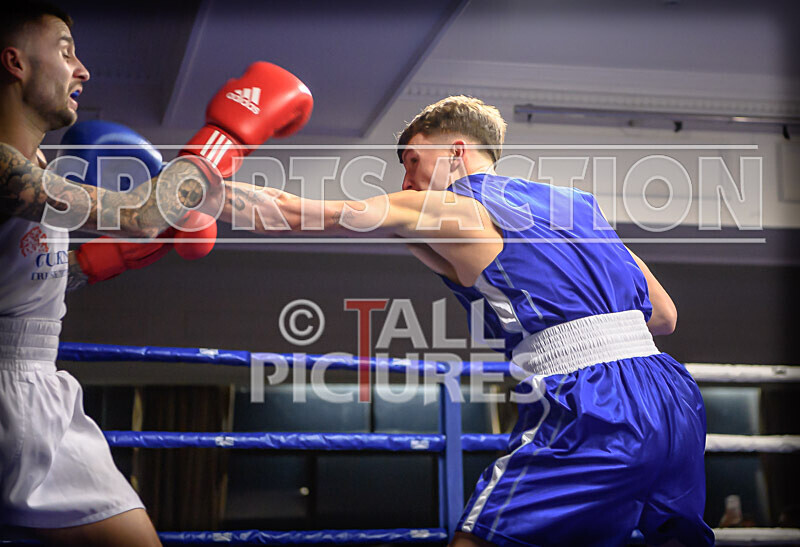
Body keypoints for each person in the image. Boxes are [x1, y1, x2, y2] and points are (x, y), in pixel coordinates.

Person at [228, 95, 714, 546]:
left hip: (591, 403)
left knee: (479, 538)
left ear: (456, 151)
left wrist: (196, 192)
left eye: (413, 161)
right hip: (671, 397)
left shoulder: (454, 206)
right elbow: (666, 316)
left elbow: (301, 214)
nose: (407, 182)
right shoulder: (577, 205)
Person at [0, 3, 312, 544]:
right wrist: (225, 136)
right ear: (15, 62)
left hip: (34, 385)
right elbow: (145, 213)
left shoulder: (37, 170)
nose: (83, 70)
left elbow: (24, 279)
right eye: (66, 51)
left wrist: (106, 260)